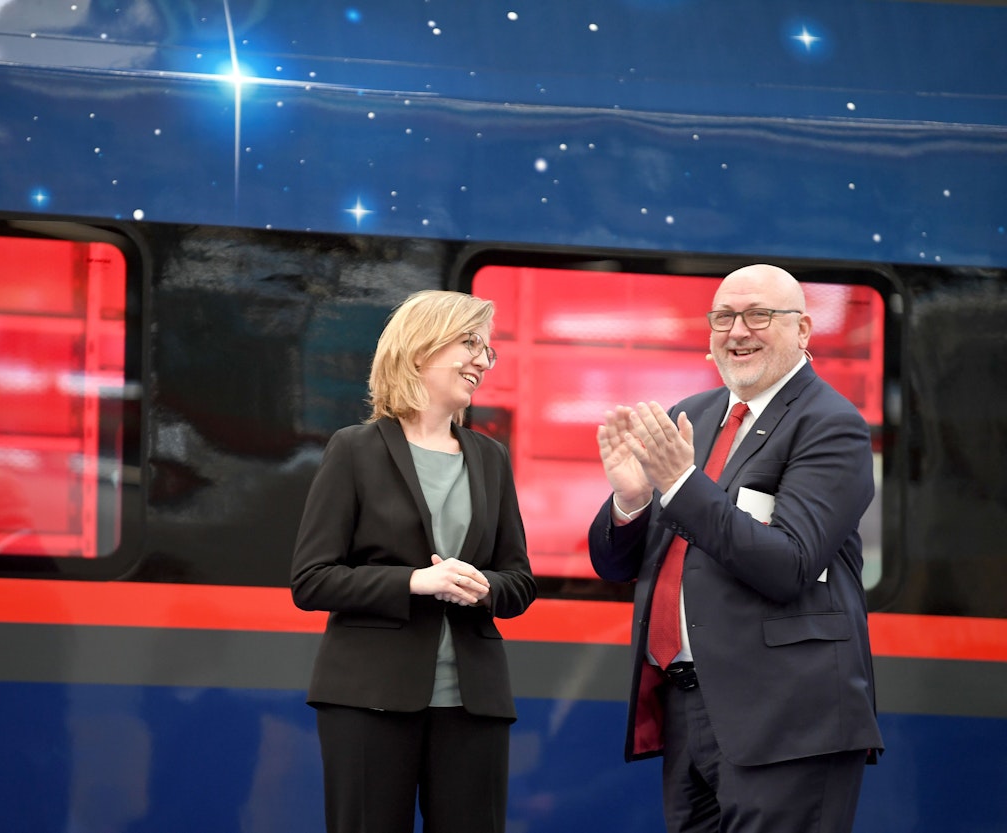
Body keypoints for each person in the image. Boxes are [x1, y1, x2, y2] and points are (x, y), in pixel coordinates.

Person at [588, 264, 883, 832]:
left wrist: (680, 484)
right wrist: (632, 500)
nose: (738, 331)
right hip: (687, 706)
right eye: (723, 317)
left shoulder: (832, 424)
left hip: (787, 720)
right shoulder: (692, 416)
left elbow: (789, 564)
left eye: (758, 315)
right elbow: (617, 566)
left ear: (802, 329)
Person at [291, 289, 537, 833]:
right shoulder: (353, 449)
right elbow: (312, 580)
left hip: (473, 704)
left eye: (488, 349)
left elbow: (519, 580)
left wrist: (486, 588)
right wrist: (415, 581)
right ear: (421, 348)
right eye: (470, 343)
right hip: (367, 698)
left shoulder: (490, 458)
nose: (483, 361)